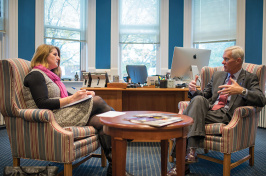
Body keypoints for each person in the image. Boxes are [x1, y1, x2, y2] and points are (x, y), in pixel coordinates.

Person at [23, 44, 133, 176]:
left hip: (61, 113)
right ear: (43, 55)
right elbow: (42, 103)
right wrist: (72, 99)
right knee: (97, 100)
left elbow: (65, 97)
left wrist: (83, 95)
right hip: (51, 118)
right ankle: (126, 126)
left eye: (58, 55)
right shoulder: (35, 75)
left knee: (104, 122)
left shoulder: (51, 77)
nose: (58, 58)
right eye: (54, 54)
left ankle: (115, 169)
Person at [167, 46, 266, 176]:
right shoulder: (218, 75)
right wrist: (193, 91)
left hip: (226, 114)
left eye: (226, 59)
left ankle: (183, 162)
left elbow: (261, 100)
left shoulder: (249, 78)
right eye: (222, 59)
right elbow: (204, 95)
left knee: (185, 120)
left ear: (238, 60)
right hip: (209, 110)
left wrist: (241, 91)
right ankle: (190, 151)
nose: (222, 62)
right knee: (198, 100)